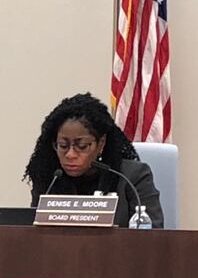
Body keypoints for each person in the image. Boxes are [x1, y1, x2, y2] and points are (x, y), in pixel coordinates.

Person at [24, 93, 163, 228]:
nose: (70, 154)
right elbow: (35, 236)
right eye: (63, 146)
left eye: (82, 146)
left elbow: (153, 235)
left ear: (101, 143)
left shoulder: (132, 177)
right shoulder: (49, 178)